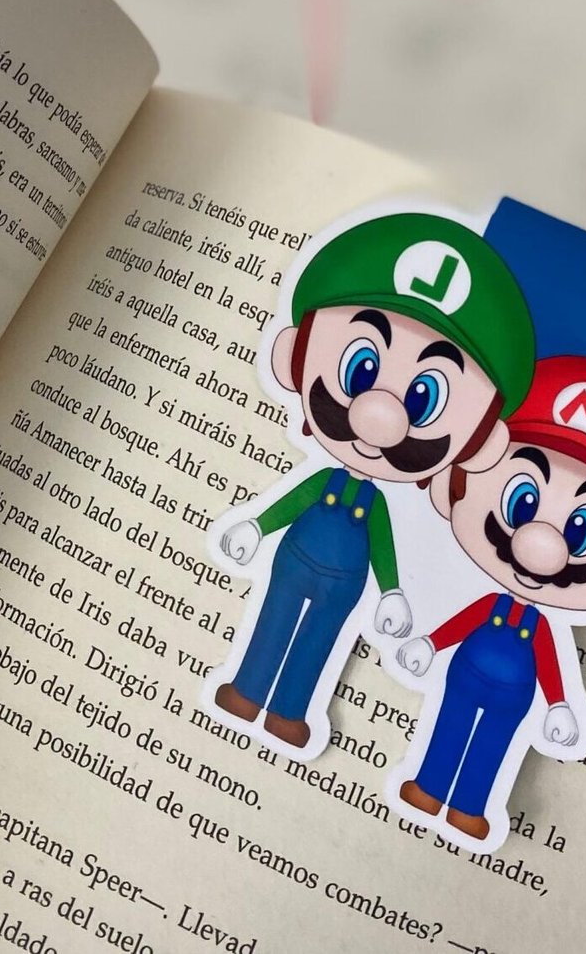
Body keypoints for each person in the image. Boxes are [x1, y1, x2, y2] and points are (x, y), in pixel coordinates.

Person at [210, 210, 535, 751]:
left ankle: (289, 710)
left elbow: (382, 544)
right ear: (294, 357)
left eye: (425, 397)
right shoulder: (324, 481)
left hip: (346, 582)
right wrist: (257, 526)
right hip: (294, 559)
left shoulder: (377, 502)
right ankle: (248, 688)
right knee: (273, 617)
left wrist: (391, 591)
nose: (381, 414)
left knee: (320, 639)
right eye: (361, 368)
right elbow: (291, 502)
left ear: (480, 442)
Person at [396, 352, 586, 841]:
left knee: (493, 743)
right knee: (450, 723)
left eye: (581, 530)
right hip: (467, 671)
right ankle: (429, 786)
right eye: (523, 501)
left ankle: (469, 805)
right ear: (456, 486)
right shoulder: (492, 607)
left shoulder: (540, 628)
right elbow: (463, 622)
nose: (542, 545)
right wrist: (431, 642)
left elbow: (551, 663)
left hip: (515, 693)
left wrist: (557, 703)